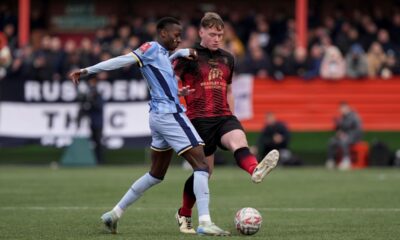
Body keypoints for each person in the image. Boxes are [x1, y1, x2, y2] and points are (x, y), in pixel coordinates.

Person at [69, 17, 230, 236]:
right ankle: (205, 221)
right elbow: (122, 60)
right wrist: (88, 71)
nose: (179, 39)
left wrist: (178, 75)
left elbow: (163, 73)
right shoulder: (151, 48)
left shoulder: (163, 54)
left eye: (180, 36)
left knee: (156, 174)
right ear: (163, 34)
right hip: (169, 115)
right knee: (202, 165)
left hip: (158, 115)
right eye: (175, 35)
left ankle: (114, 214)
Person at [173, 12, 279, 234]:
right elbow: (170, 83)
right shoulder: (188, 56)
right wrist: (178, 93)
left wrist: (232, 114)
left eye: (220, 34)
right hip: (198, 120)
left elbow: (229, 89)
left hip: (223, 115)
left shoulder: (228, 58)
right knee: (204, 173)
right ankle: (184, 213)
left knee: (239, 140)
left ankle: (254, 169)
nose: (217, 38)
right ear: (201, 32)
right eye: (212, 34)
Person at [326, 102, 363, 170]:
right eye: (340, 109)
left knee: (344, 141)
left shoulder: (353, 116)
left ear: (347, 108)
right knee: (332, 141)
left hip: (354, 136)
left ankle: (346, 161)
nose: (341, 110)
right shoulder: (343, 117)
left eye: (343, 108)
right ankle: (331, 160)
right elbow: (340, 129)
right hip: (345, 136)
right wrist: (338, 128)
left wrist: (342, 131)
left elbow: (349, 127)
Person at [77, 77, 105, 164]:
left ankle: (99, 160)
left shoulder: (98, 96)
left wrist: (91, 102)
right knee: (93, 142)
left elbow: (99, 107)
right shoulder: (90, 96)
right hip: (92, 122)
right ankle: (94, 160)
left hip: (98, 123)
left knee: (98, 142)